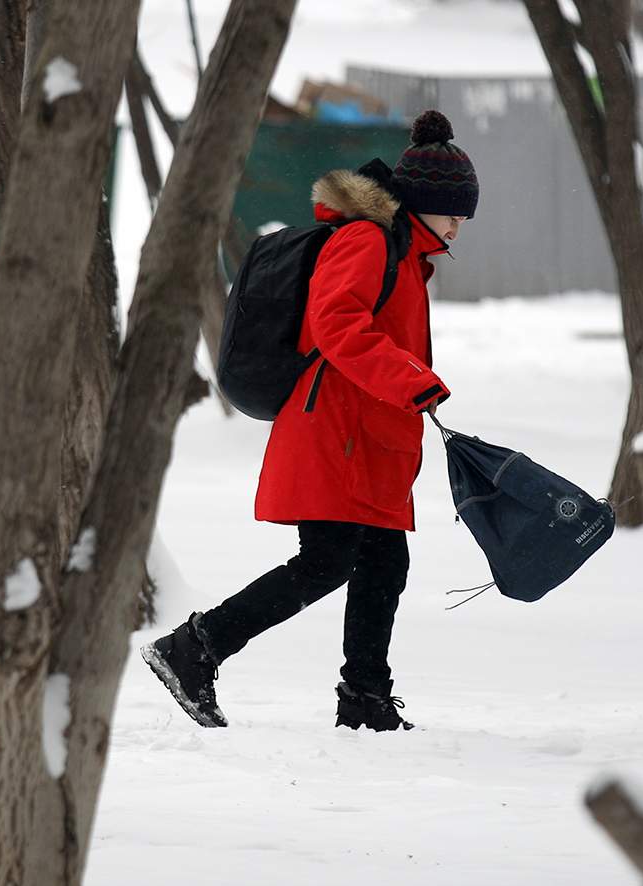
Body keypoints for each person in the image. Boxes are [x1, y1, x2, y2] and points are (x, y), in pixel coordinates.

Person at [143, 110, 479, 734]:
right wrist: (411, 380)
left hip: (367, 436)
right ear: (421, 201)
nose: (461, 220)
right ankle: (193, 649)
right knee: (326, 561)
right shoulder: (368, 240)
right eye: (452, 207)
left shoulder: (405, 254)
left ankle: (364, 700)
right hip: (336, 431)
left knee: (383, 565)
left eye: (466, 210)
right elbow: (338, 327)